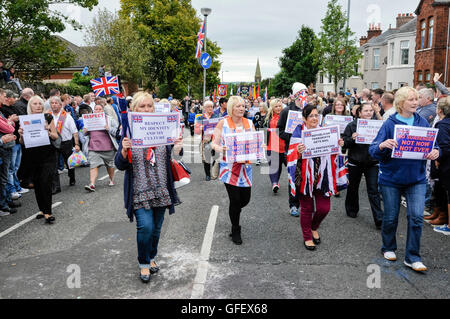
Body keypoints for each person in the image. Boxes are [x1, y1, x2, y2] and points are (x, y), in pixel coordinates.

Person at [369, 86, 440, 272]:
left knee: (416, 217)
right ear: (401, 103)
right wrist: (383, 145)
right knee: (391, 217)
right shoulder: (389, 123)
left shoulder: (422, 122)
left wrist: (435, 151)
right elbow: (373, 149)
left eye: (417, 99)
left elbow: (436, 145)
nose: (415, 102)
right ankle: (389, 246)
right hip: (391, 178)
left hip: (416, 179)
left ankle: (413, 257)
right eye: (411, 99)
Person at [115, 92, 183, 283]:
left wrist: (177, 146)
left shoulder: (164, 128)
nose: (146, 109)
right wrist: (124, 150)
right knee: (145, 227)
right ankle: (143, 263)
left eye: (149, 106)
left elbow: (174, 153)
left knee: (156, 229)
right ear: (134, 109)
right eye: (142, 106)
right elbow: (120, 164)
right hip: (139, 190)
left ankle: (152, 256)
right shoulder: (129, 131)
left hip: (161, 188)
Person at [292, 105, 345, 251]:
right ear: (304, 118)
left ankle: (314, 226)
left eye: (316, 115)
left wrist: (339, 144)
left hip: (323, 176)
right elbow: (290, 153)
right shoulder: (298, 131)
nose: (315, 118)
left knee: (324, 208)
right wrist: (298, 151)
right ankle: (307, 236)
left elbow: (334, 152)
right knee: (307, 208)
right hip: (304, 177)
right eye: (311, 116)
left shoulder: (326, 130)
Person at [211, 96, 256, 245]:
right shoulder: (222, 123)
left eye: (243, 106)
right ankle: (235, 229)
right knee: (235, 200)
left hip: (245, 168)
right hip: (228, 168)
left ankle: (234, 211)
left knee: (245, 200)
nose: (241, 108)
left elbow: (255, 142)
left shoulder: (249, 123)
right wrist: (220, 148)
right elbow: (214, 143)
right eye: (238, 106)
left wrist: (259, 147)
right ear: (231, 108)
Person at [18, 96, 59, 224]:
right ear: (30, 106)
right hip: (32, 156)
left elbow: (55, 136)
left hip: (48, 155)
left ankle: (48, 212)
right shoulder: (24, 119)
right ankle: (42, 209)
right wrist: (21, 134)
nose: (38, 106)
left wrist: (48, 131)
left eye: (40, 104)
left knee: (45, 182)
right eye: (35, 104)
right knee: (37, 184)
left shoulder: (47, 118)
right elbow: (22, 142)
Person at [342, 102, 383, 229]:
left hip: (373, 162)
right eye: (366, 111)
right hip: (355, 161)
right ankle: (352, 209)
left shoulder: (378, 125)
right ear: (359, 113)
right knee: (353, 187)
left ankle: (379, 219)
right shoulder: (352, 125)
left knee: (373, 190)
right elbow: (344, 142)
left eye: (371, 110)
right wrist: (352, 139)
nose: (369, 113)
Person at [277, 82, 308, 217]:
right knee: (294, 177)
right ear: (295, 95)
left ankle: (306, 204)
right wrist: (292, 136)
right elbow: (280, 131)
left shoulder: (309, 110)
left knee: (307, 177)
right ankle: (294, 205)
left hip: (308, 150)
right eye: (302, 92)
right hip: (292, 151)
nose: (304, 95)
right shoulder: (286, 111)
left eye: (306, 92)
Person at [80, 104, 119, 192]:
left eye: (100, 109)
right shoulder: (89, 119)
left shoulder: (109, 119)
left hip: (108, 147)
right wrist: (85, 131)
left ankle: (111, 179)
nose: (98, 110)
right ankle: (92, 184)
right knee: (93, 165)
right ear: (94, 111)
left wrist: (108, 128)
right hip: (93, 147)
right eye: (96, 109)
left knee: (110, 165)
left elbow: (117, 132)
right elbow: (84, 132)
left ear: (103, 110)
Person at [48, 96, 80, 192]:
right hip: (53, 143)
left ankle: (72, 177)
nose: (54, 105)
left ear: (60, 104)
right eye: (52, 103)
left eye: (56, 103)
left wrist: (77, 144)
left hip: (66, 142)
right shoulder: (48, 116)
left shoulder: (66, 116)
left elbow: (74, 131)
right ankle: (56, 187)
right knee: (54, 165)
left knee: (69, 162)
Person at [432, 97, 450, 234]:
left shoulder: (442, 125)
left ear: (440, 110)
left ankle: (448, 225)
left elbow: (443, 146)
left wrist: (438, 157)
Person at [265, 99, 286, 193]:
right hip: (272, 144)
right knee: (273, 166)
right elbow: (263, 129)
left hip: (284, 145)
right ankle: (274, 183)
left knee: (279, 166)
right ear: (272, 107)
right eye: (276, 106)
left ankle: (276, 181)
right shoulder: (268, 117)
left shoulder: (286, 116)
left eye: (280, 106)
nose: (278, 108)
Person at [196, 101, 219, 181]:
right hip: (206, 141)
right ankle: (207, 174)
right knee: (206, 158)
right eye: (208, 107)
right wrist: (200, 128)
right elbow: (196, 132)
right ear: (205, 108)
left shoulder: (216, 116)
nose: (210, 108)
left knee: (216, 157)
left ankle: (214, 172)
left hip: (215, 140)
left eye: (211, 107)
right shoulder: (201, 118)